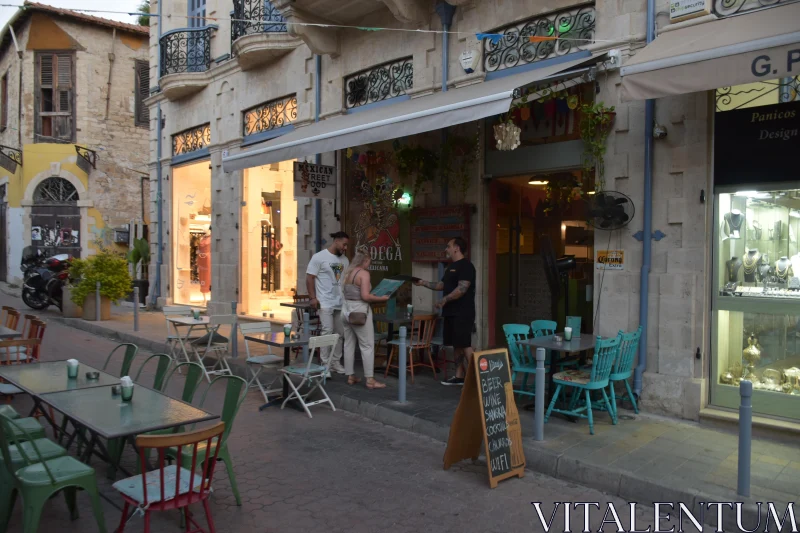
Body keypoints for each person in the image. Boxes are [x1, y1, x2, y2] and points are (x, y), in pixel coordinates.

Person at [416, 237, 476, 386]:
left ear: (456, 248)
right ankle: (459, 376)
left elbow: (462, 289)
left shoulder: (466, 266)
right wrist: (423, 283)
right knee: (456, 344)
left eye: (448, 246)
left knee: (465, 343)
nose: (446, 249)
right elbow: (441, 285)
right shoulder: (451, 267)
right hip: (451, 312)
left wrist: (444, 300)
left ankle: (479, 379)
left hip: (463, 312)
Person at [341, 248, 390, 389]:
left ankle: (350, 376)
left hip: (346, 310)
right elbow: (365, 296)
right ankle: (370, 380)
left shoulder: (348, 272)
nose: (369, 264)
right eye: (369, 261)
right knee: (367, 345)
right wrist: (382, 298)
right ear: (365, 260)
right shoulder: (364, 274)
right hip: (360, 311)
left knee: (349, 344)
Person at [306, 232, 350, 375]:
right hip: (324, 302)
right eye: (344, 244)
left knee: (340, 333)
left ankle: (335, 362)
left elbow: (345, 280)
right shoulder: (319, 257)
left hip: (340, 301)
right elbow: (310, 278)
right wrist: (313, 297)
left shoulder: (345, 260)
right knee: (327, 331)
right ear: (336, 241)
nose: (345, 248)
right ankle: (325, 364)